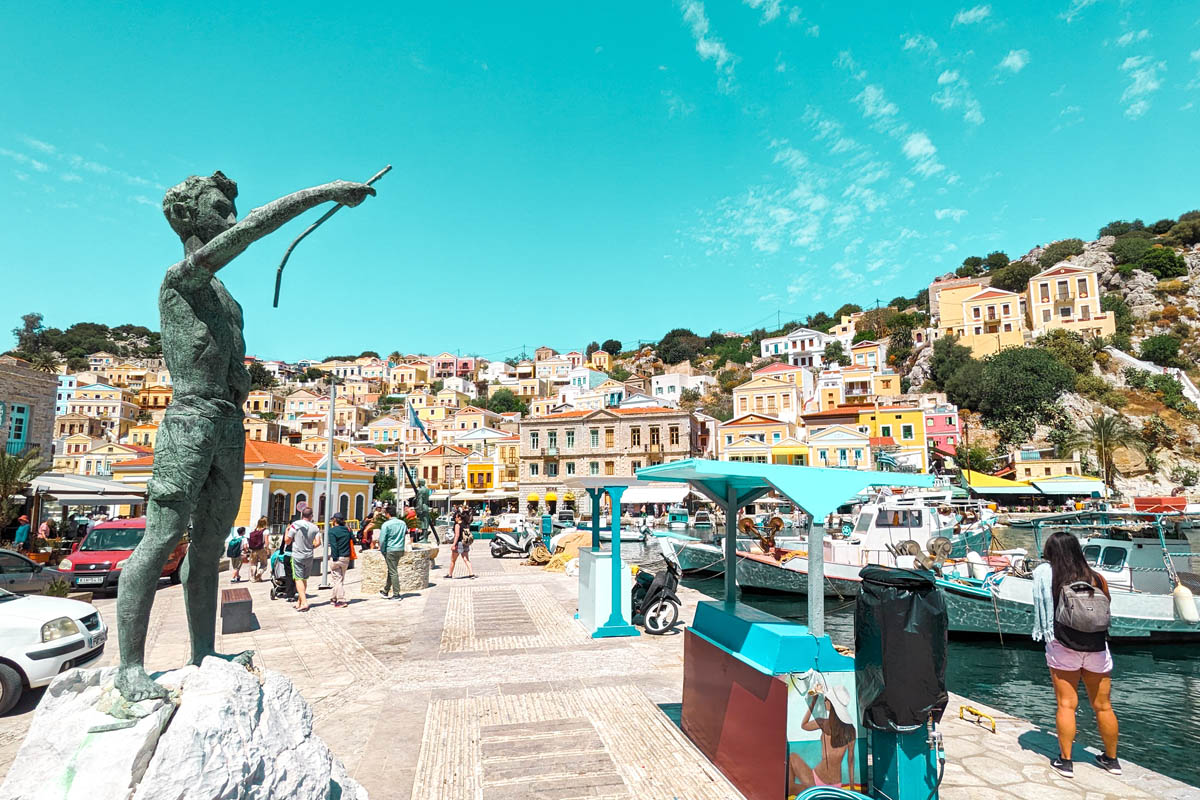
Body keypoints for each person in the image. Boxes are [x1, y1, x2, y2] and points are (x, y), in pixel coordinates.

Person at [1033, 531, 1120, 779]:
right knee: (1103, 706)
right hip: (1096, 647)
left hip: (1063, 646)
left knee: (1066, 705)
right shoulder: (1097, 578)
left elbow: (1044, 611)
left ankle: (1066, 762)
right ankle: (1111, 760)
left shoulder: (1049, 579)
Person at [285, 506, 321, 612]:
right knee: (304, 579)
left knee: (298, 579)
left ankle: (304, 602)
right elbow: (318, 542)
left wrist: (287, 531)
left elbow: (288, 541)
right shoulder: (315, 528)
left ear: (302, 515)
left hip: (297, 555)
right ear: (311, 516)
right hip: (309, 555)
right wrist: (310, 547)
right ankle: (299, 602)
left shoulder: (295, 525)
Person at [378, 507, 407, 599]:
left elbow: (382, 539)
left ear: (388, 514)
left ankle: (396, 594)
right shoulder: (403, 523)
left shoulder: (386, 524)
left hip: (390, 549)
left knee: (393, 571)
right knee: (391, 570)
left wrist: (382, 550)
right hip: (400, 549)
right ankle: (386, 590)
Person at [326, 513, 352, 607]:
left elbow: (333, 545)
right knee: (339, 579)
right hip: (346, 557)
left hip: (337, 557)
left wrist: (335, 557)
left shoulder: (332, 531)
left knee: (337, 579)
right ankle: (333, 598)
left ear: (335, 520)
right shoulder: (347, 529)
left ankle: (341, 600)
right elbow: (353, 539)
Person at [449, 505, 475, 579]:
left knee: (453, 560)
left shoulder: (458, 525)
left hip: (459, 544)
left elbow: (457, 536)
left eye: (456, 517)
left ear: (459, 517)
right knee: (466, 559)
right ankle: (471, 573)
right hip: (465, 543)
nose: (455, 518)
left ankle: (450, 574)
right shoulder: (466, 524)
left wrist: (453, 545)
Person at [245, 516, 270, 582]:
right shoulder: (266, 531)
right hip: (262, 549)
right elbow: (266, 542)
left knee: (253, 564)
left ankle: (253, 578)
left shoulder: (254, 530)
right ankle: (259, 573)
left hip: (253, 550)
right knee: (264, 564)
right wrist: (267, 549)